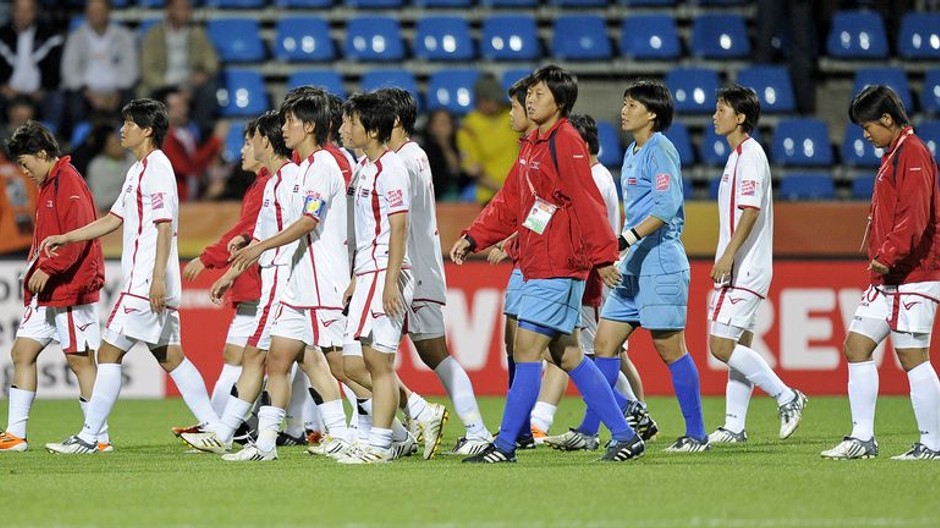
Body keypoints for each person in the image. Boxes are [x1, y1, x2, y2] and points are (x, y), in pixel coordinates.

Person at [451, 65, 642, 464]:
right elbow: (510, 201)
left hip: (559, 265)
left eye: (538, 94)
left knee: (526, 349)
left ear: (559, 102)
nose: (530, 100)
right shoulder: (534, 143)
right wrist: (475, 237)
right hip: (541, 260)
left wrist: (604, 256)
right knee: (568, 354)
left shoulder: (566, 141)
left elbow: (587, 203)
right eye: (530, 94)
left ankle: (506, 444)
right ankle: (625, 434)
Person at [42, 98, 220, 455]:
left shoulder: (157, 168)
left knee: (108, 354)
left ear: (147, 130)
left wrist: (155, 278)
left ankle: (90, 437)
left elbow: (164, 224)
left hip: (145, 282)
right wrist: (67, 236)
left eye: (128, 124)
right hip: (152, 281)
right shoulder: (138, 169)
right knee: (171, 356)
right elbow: (113, 219)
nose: (121, 130)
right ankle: (217, 429)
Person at [589, 80, 709, 453]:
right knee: (603, 345)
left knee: (671, 349)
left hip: (660, 259)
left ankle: (697, 434)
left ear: (651, 113)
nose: (624, 111)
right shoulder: (632, 153)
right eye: (624, 104)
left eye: (632, 105)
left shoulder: (661, 149)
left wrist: (625, 239)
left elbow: (666, 206)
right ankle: (609, 426)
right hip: (635, 262)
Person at [822, 85, 940, 460]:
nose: (864, 134)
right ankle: (863, 439)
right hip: (890, 277)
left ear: (887, 119)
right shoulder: (896, 153)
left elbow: (915, 217)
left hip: (914, 273)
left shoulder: (914, 153)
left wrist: (887, 255)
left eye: (868, 125)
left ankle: (933, 443)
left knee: (912, 356)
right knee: (856, 346)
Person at [378, 87, 493, 456]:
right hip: (416, 266)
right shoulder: (413, 155)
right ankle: (466, 427)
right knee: (424, 355)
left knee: (373, 355)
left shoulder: (404, 160)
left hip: (410, 269)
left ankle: (467, 428)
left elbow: (398, 219)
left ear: (394, 120)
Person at [538, 113, 658, 451]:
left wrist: (599, 265)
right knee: (607, 355)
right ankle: (636, 412)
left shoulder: (595, 179)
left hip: (593, 278)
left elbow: (596, 231)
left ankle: (626, 415)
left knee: (583, 355)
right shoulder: (592, 175)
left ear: (583, 144)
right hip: (592, 275)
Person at [706, 85, 807, 445]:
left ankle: (787, 395)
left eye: (721, 109)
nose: (714, 115)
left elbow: (751, 209)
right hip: (746, 265)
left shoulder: (749, 155)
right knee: (740, 344)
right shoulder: (737, 156)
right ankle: (735, 425)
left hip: (745, 266)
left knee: (721, 345)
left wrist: (729, 254)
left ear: (741, 116)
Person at [0, 121, 107, 453]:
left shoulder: (68, 182)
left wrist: (49, 267)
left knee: (80, 360)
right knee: (22, 352)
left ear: (42, 153)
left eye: (25, 162)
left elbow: (80, 235)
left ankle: (98, 438)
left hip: (70, 287)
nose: (24, 170)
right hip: (49, 292)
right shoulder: (50, 183)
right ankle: (15, 435)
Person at [338, 91, 417, 464]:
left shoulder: (391, 168)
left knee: (379, 363)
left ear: (371, 128)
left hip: (387, 272)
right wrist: (358, 276)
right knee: (353, 364)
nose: (345, 128)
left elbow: (398, 227)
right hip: (368, 273)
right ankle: (412, 416)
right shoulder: (366, 168)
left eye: (351, 121)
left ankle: (382, 443)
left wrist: (389, 281)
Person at [180, 120, 267, 418]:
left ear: (264, 144)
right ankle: (296, 427)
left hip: (262, 282)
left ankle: (217, 425)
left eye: (247, 143)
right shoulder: (260, 185)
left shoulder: (268, 184)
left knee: (248, 358)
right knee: (295, 361)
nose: (242, 150)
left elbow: (247, 230)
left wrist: (207, 259)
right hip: (258, 280)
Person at [139, 0, 218, 138]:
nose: (185, 12)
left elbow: (211, 63)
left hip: (190, 85)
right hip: (162, 85)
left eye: (187, 8)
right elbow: (148, 70)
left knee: (209, 92)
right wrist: (170, 93)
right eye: (180, 8)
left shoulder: (198, 34)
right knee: (142, 96)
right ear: (169, 10)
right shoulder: (154, 35)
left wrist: (200, 76)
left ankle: (197, 138)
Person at [61, 0, 138, 134]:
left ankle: (128, 147)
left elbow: (131, 70)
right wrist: (89, 94)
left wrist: (116, 93)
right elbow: (69, 71)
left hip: (118, 91)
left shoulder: (124, 36)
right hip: (86, 93)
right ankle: (78, 143)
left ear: (108, 12)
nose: (95, 15)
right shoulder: (76, 37)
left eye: (99, 11)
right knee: (72, 103)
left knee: (133, 104)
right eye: (91, 11)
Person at [0, 0, 64, 135]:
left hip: (39, 92)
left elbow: (55, 70)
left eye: (27, 10)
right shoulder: (3, 35)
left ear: (35, 12)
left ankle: (51, 142)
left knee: (57, 99)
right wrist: (3, 86)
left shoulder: (50, 35)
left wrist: (43, 89)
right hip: (8, 91)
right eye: (19, 10)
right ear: (12, 11)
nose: (23, 15)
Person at [456, 74, 519, 204]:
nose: (499, 102)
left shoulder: (513, 116)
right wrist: (503, 190)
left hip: (521, 184)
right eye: (494, 99)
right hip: (488, 191)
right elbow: (473, 170)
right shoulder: (469, 126)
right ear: (482, 101)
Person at [160, 88, 226, 201]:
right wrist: (215, 141)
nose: (184, 110)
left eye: (184, 105)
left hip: (191, 199)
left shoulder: (187, 133)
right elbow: (188, 167)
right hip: (176, 202)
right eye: (177, 107)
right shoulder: (164, 138)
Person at [421, 108, 468, 201]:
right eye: (438, 123)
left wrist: (445, 145)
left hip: (459, 194)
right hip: (434, 196)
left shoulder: (459, 143)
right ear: (431, 127)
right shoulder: (424, 149)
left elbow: (456, 170)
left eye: (446, 123)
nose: (442, 127)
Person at [86, 129, 135, 210]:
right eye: (114, 145)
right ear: (104, 148)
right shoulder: (97, 166)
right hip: (108, 211)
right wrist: (126, 194)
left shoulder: (133, 159)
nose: (120, 146)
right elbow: (100, 201)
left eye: (119, 142)